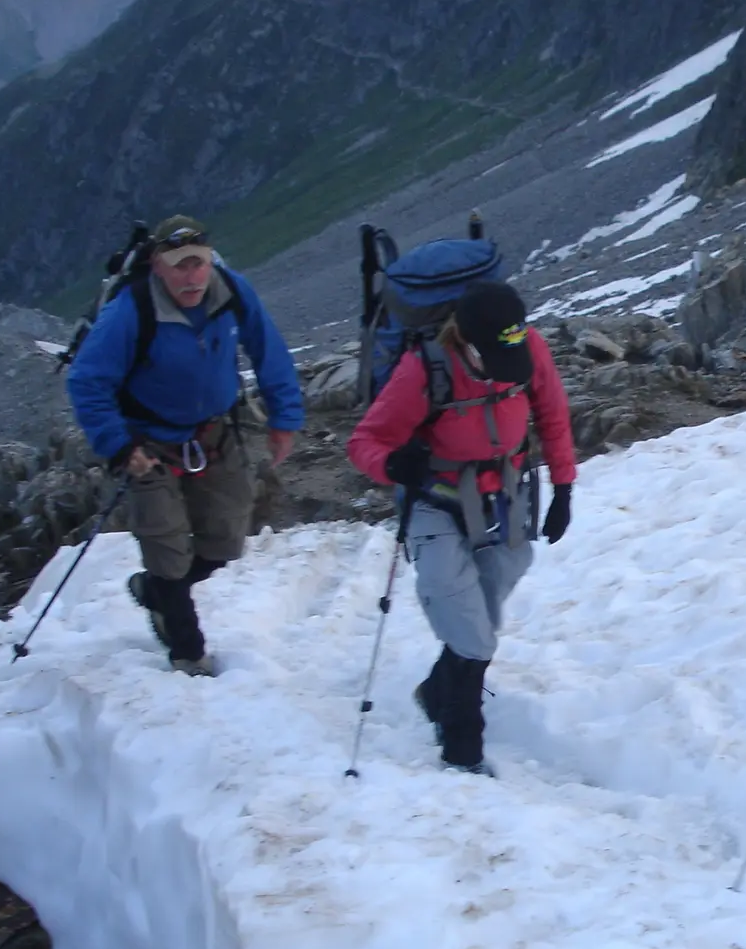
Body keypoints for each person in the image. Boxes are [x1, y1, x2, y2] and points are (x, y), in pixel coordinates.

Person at [346, 280, 577, 775]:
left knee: (484, 612)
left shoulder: (528, 345)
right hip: (438, 502)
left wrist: (564, 488)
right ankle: (461, 745)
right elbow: (364, 441)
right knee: (473, 633)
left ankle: (437, 690)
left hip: (505, 494)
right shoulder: (424, 370)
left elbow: (553, 414)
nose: (504, 368)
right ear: (468, 343)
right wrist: (393, 465)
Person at [66, 215, 305, 676]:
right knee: (166, 548)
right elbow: (87, 381)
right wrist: (120, 446)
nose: (192, 276)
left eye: (199, 263)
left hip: (214, 434)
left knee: (225, 541)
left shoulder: (231, 291)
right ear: (158, 265)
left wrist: (285, 419)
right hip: (146, 444)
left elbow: (269, 350)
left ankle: (155, 591)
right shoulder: (131, 310)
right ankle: (188, 652)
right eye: (180, 266)